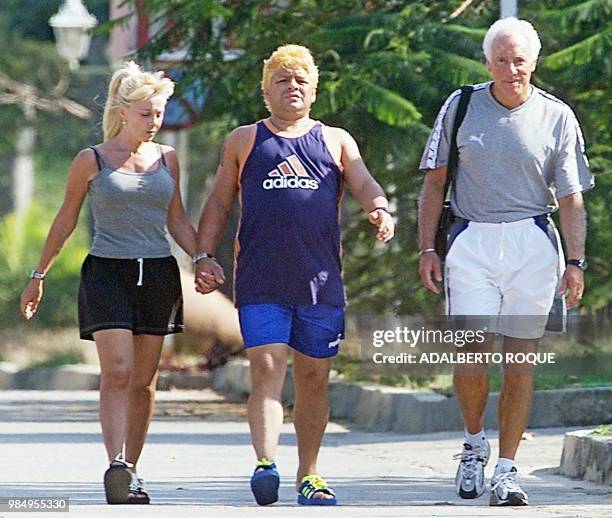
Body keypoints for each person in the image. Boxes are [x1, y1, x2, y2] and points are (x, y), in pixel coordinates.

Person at [194, 44, 394, 506]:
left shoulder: (335, 140)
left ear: (314, 89)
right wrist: (204, 255)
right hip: (262, 279)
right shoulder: (245, 141)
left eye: (301, 79)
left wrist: (380, 208)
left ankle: (310, 473)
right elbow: (220, 202)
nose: (293, 87)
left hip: (320, 281)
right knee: (266, 367)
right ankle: (266, 463)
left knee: (313, 378)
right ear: (267, 90)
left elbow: (363, 181)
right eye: (282, 80)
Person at [418, 17, 593, 507]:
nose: (511, 69)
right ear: (487, 61)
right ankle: (474, 444)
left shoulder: (557, 116)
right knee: (471, 355)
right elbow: (433, 184)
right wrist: (427, 248)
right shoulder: (462, 106)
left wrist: (575, 262)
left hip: (533, 243)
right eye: (502, 59)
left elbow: (572, 198)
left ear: (534, 63)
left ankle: (508, 470)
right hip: (471, 241)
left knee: (520, 362)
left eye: (519, 60)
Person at [20, 62, 196, 505]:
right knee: (117, 371)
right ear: (122, 112)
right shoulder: (91, 160)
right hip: (107, 273)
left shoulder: (167, 159)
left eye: (159, 114)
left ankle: (132, 471)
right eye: (146, 115)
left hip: (157, 273)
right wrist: (38, 275)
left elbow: (176, 219)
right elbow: (65, 219)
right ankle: (116, 463)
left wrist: (205, 258)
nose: (154, 123)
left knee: (144, 381)